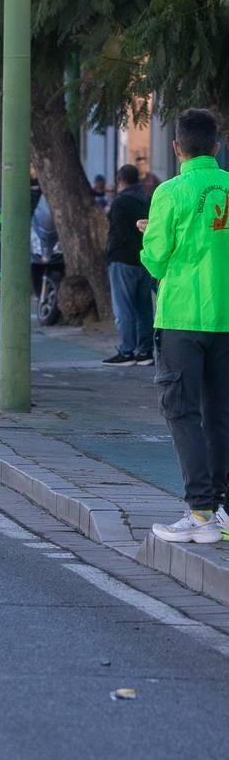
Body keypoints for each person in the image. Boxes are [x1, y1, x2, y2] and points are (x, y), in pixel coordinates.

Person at [141, 109, 229, 544]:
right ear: (216, 146)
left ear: (177, 148)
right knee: (221, 413)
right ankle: (223, 507)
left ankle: (200, 513)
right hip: (226, 317)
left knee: (182, 412)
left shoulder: (169, 192)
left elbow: (155, 258)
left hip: (181, 317)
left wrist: (149, 232)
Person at [103, 163, 155, 367]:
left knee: (124, 307)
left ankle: (127, 350)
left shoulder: (120, 202)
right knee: (144, 307)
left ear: (120, 180)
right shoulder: (147, 200)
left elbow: (120, 232)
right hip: (144, 260)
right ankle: (145, 350)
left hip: (122, 259)